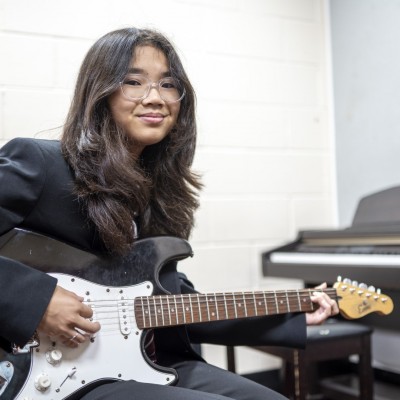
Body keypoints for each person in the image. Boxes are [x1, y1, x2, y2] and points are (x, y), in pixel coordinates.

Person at [0, 27, 339, 400]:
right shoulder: (40, 163)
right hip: (49, 377)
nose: (155, 98)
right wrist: (38, 300)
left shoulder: (161, 193)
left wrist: (290, 316)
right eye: (133, 82)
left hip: (152, 363)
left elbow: (174, 305)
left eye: (167, 85)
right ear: (100, 92)